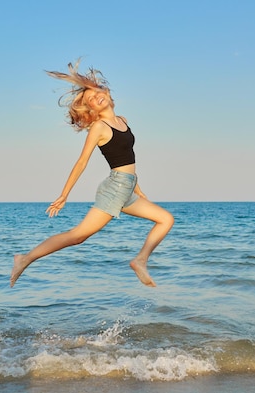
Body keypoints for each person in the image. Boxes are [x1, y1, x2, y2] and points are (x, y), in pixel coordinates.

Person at [10, 60, 174, 288]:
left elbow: (127, 158)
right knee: (78, 236)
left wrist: (138, 188)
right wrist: (64, 194)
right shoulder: (99, 128)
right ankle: (25, 258)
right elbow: (81, 162)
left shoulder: (123, 120)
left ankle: (140, 260)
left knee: (166, 219)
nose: (95, 98)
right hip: (115, 189)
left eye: (95, 93)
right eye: (89, 101)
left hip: (127, 188)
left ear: (105, 91)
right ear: (92, 110)